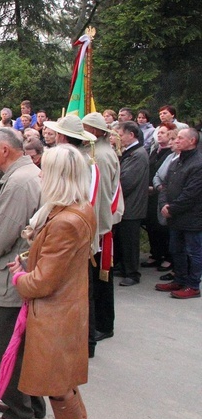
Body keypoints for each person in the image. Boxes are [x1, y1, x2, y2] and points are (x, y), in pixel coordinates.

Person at [8, 144, 96, 419]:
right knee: (64, 386)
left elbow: (43, 282)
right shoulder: (77, 209)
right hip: (65, 311)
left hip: (55, 317)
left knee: (59, 389)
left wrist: (20, 278)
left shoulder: (66, 221)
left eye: (45, 170)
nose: (40, 175)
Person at [0, 127, 45, 419]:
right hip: (22, 269)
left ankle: (18, 412)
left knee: (5, 342)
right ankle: (32, 401)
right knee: (22, 342)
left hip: (15, 272)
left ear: (6, 150)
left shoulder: (18, 182)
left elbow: (3, 230)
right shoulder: (25, 175)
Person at [82, 112, 124, 353]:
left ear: (96, 131)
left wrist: (95, 226)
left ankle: (104, 323)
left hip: (100, 223)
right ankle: (100, 320)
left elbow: (101, 193)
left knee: (101, 276)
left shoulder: (102, 155)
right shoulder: (98, 152)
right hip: (99, 221)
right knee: (98, 275)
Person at [156, 128, 202, 299]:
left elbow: (191, 193)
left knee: (194, 252)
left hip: (192, 217)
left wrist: (171, 208)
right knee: (176, 249)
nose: (175, 141)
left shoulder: (198, 163)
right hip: (174, 216)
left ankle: (193, 285)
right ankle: (180, 279)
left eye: (180, 138)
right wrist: (164, 204)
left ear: (192, 141)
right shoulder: (176, 161)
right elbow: (165, 185)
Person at [114, 121, 149, 286]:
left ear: (131, 135)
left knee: (130, 241)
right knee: (122, 239)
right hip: (126, 205)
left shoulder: (138, 154)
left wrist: (114, 191)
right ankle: (123, 267)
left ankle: (133, 273)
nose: (118, 138)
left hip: (132, 206)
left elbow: (127, 181)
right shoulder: (129, 152)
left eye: (120, 135)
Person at [143, 122, 177, 271]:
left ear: (171, 135)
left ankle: (168, 256)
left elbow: (164, 175)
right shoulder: (155, 150)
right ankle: (155, 254)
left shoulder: (171, 154)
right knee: (152, 225)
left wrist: (156, 187)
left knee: (163, 227)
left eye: (163, 132)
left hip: (161, 193)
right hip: (150, 193)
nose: (159, 134)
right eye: (159, 132)